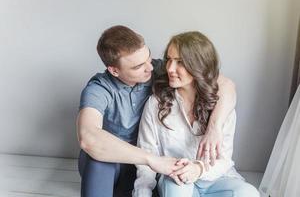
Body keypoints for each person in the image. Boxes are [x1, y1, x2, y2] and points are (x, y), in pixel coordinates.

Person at [77, 25, 237, 197]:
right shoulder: (99, 89)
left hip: (152, 167)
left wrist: (215, 127)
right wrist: (151, 159)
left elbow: (225, 84)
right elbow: (88, 138)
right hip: (118, 164)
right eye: (138, 66)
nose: (150, 68)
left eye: (148, 57)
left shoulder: (161, 69)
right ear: (114, 70)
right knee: (98, 161)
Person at [133, 31, 260, 197]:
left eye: (180, 62)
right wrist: (143, 193)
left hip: (214, 179)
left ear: (199, 65)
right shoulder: (156, 104)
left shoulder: (221, 106)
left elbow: (224, 159)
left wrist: (198, 169)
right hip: (175, 179)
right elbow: (146, 156)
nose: (170, 68)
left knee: (249, 194)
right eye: (169, 60)